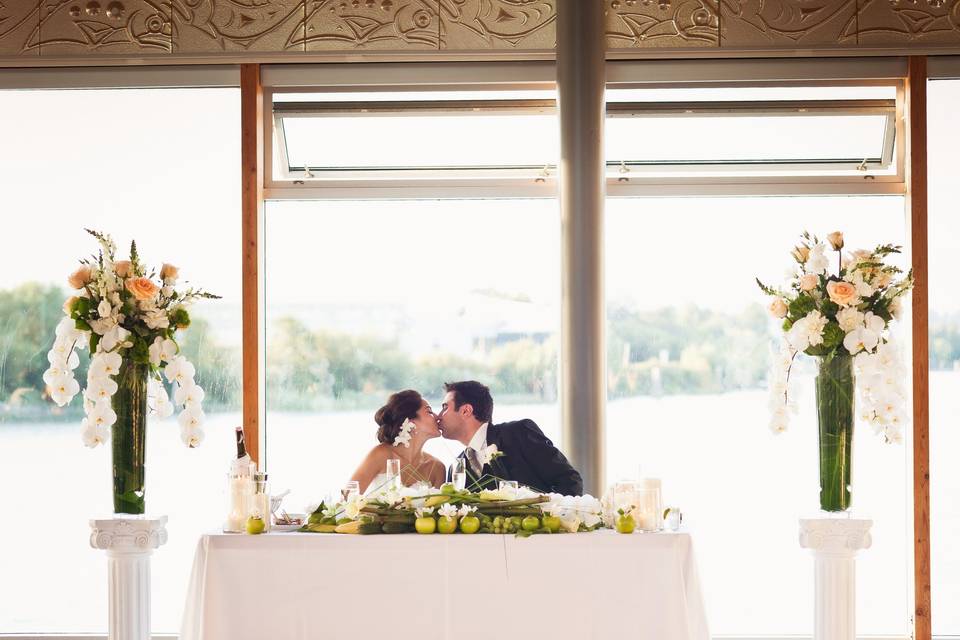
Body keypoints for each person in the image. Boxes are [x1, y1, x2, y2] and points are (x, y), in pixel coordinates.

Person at [437, 380, 583, 496]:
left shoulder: (519, 434)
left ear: (466, 411)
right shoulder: (456, 468)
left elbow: (570, 481)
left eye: (444, 407)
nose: (438, 416)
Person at [349, 389, 446, 494]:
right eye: (429, 411)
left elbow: (438, 509)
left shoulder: (437, 468)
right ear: (410, 421)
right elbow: (347, 500)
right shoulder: (380, 455)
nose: (437, 417)